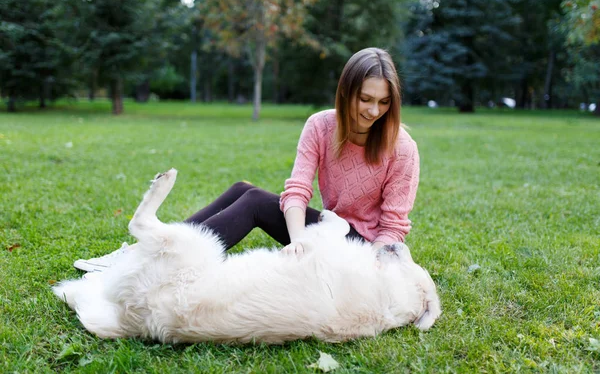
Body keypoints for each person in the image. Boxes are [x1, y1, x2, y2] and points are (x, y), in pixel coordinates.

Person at [73, 47, 420, 272]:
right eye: (365, 99)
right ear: (346, 92)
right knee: (242, 188)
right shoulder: (320, 125)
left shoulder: (402, 147)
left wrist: (371, 274)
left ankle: (156, 256)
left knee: (255, 201)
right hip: (325, 230)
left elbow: (392, 229)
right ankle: (145, 250)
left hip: (360, 250)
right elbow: (298, 190)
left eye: (384, 102)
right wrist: (299, 240)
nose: (374, 110)